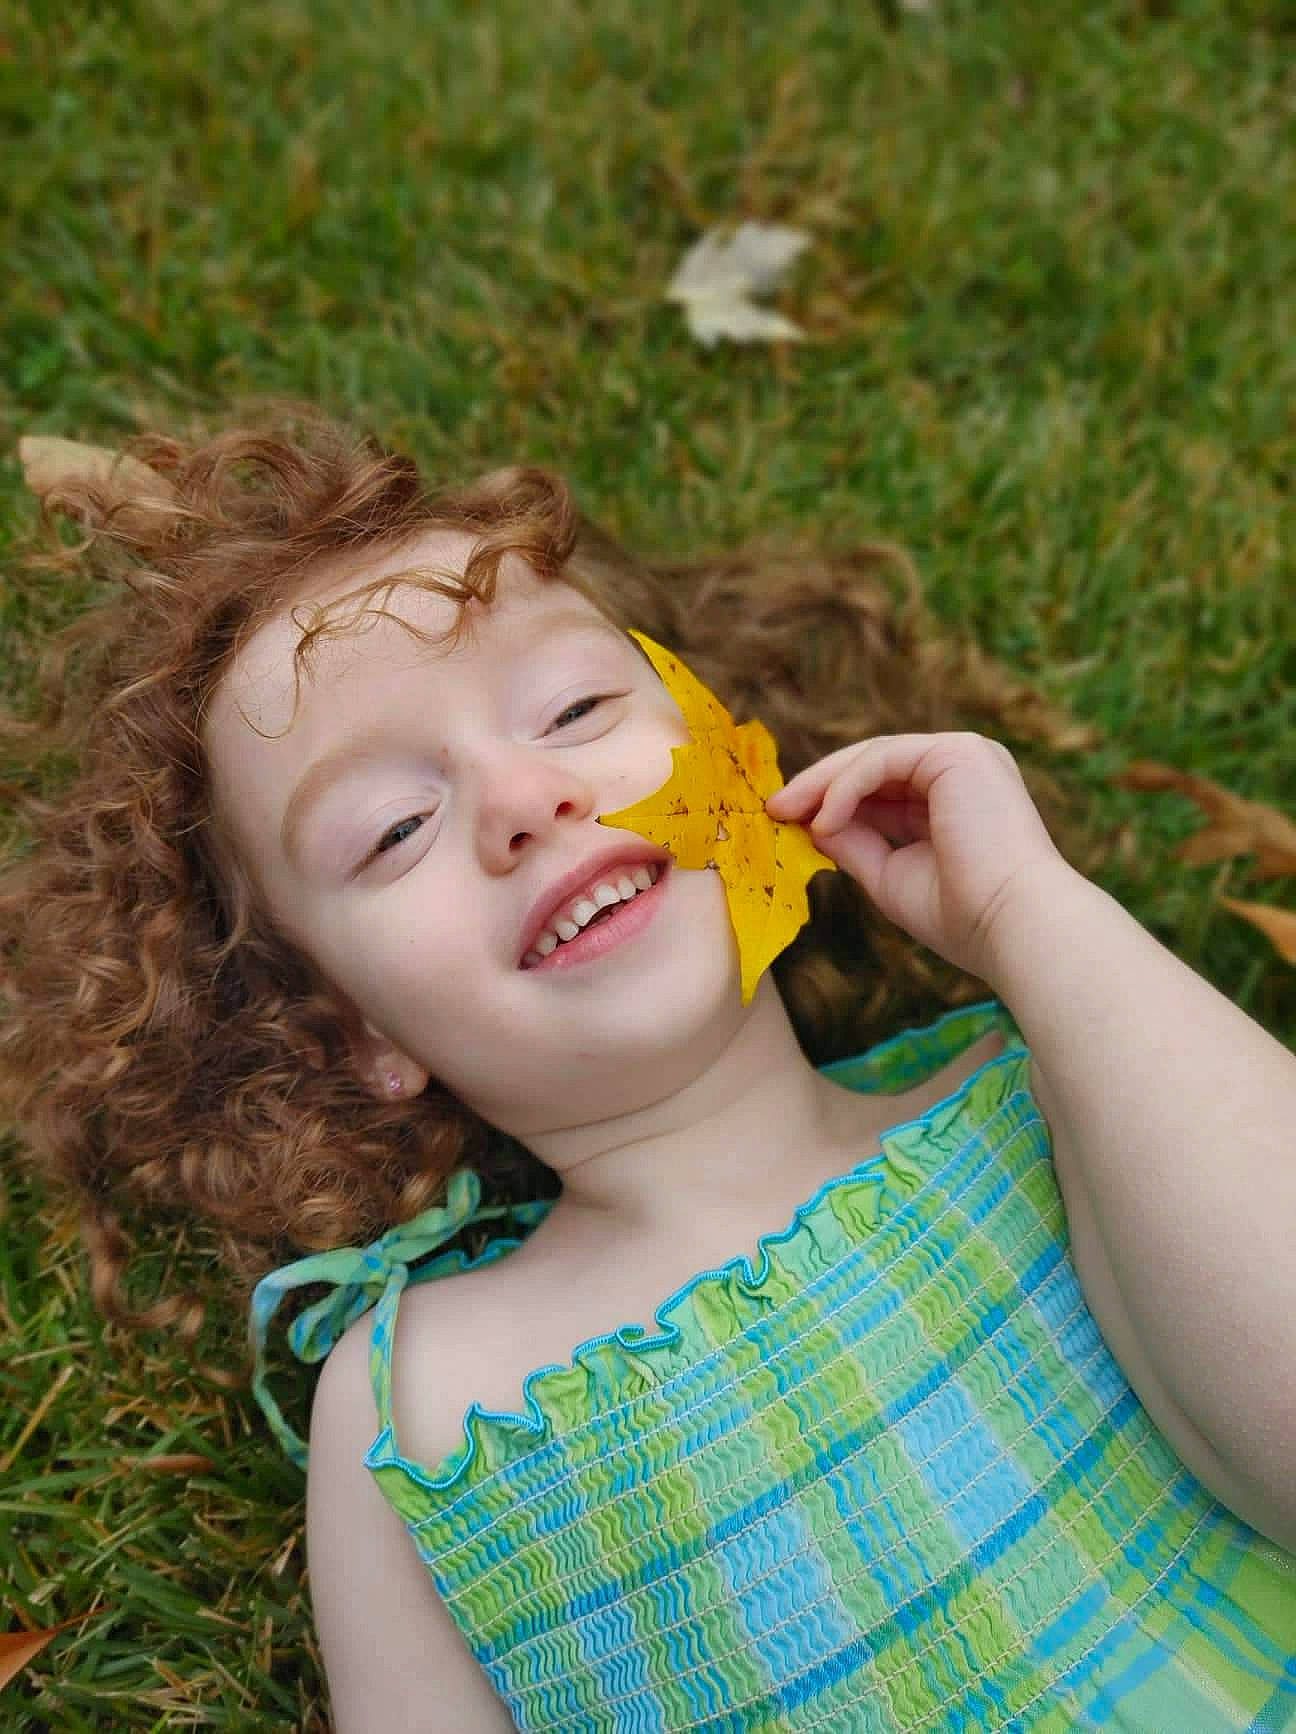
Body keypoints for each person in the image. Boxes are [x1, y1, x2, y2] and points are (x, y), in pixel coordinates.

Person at [3, 414, 1293, 1733]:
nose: (524, 796)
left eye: (574, 708)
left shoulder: (1039, 1101)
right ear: (353, 1037)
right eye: (394, 828)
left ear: (739, 751)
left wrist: (1034, 916)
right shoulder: (424, 1404)